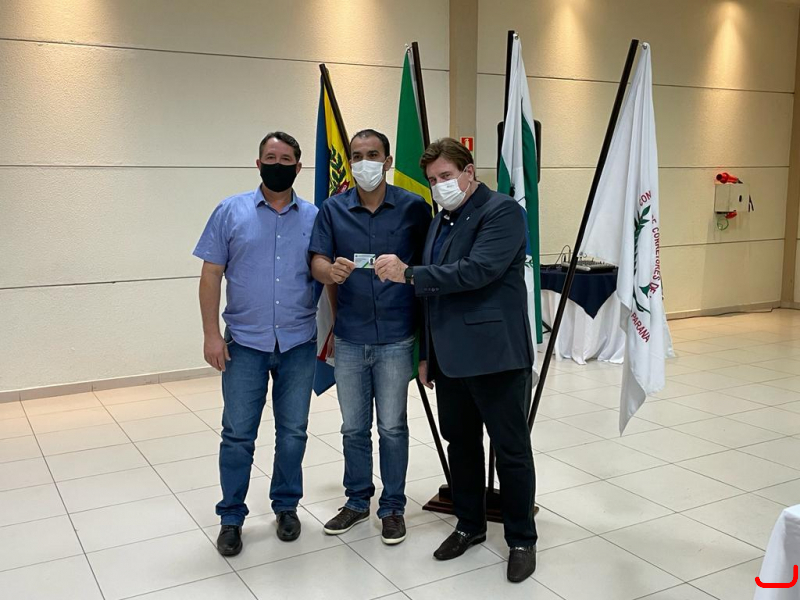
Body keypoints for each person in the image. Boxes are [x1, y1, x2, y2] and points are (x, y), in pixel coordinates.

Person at [374, 138, 538, 582]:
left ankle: (521, 539)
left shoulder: (502, 212)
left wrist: (409, 273)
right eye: (432, 180)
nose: (439, 186)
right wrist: (426, 355)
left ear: (469, 172)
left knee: (511, 451)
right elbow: (432, 300)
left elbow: (479, 270)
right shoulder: (439, 221)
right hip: (448, 361)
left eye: (445, 176)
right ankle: (469, 525)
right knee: (461, 446)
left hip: (496, 356)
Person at [194, 131, 319, 556]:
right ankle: (231, 516)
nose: (277, 164)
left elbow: (324, 275)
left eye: (285, 159)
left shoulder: (314, 216)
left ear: (298, 167)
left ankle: (286, 506)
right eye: (270, 157)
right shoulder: (230, 211)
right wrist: (211, 334)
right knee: (237, 434)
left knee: (293, 432)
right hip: (244, 344)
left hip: (298, 343)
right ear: (258, 162)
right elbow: (211, 274)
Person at [309, 129, 432, 545]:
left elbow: (429, 266)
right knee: (353, 428)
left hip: (397, 336)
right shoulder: (333, 209)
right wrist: (329, 271)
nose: (364, 163)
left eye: (373, 154)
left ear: (388, 161)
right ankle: (357, 501)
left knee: (393, 427)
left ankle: (392, 506)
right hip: (349, 335)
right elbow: (317, 259)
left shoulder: (414, 208)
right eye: (357, 155)